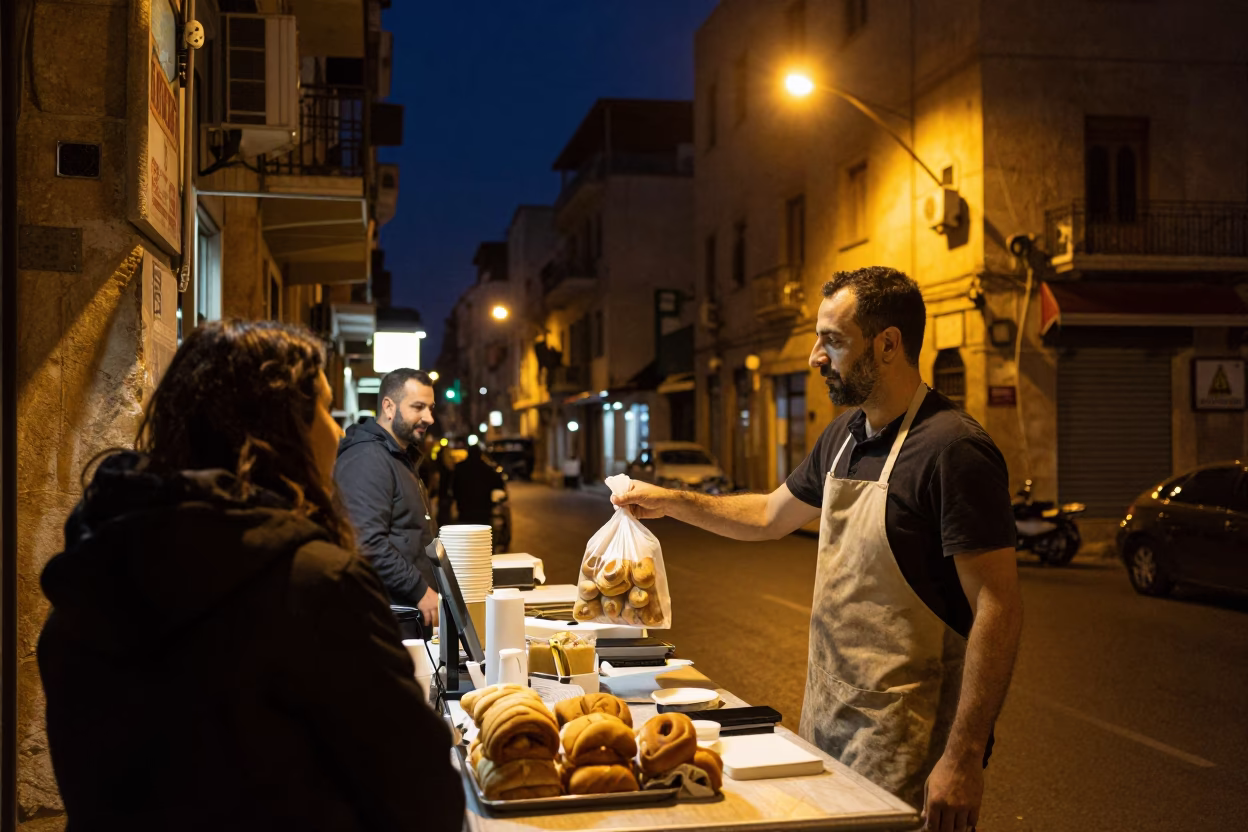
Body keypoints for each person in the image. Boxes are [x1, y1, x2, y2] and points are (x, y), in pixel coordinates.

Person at [613, 267, 1023, 832]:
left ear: (887, 345)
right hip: (828, 718)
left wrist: (964, 757)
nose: (815, 357)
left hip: (910, 737)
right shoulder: (843, 437)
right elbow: (768, 516)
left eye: (833, 340)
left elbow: (998, 607)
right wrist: (670, 501)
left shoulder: (954, 450)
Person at [37, 320, 464, 831]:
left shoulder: (90, 571)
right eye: (324, 411)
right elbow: (424, 795)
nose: (337, 432)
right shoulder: (316, 584)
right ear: (279, 430)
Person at [334, 368, 440, 630]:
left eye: (431, 408)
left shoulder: (398, 456)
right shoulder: (367, 458)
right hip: (386, 620)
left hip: (406, 618)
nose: (429, 418)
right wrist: (418, 589)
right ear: (389, 407)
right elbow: (365, 541)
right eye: (418, 407)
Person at [450, 443, 506, 526]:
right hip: (483, 510)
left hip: (465, 510)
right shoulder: (487, 469)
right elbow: (499, 485)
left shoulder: (460, 468)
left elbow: (453, 487)